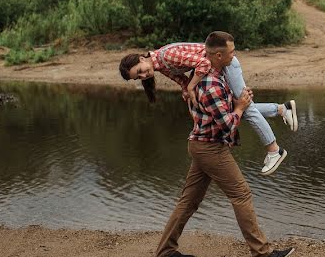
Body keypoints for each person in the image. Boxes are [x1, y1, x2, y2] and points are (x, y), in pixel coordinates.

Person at [154, 31, 294, 257]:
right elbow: (228, 125)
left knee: (189, 201)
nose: (234, 55)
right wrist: (240, 107)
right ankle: (262, 254)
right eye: (231, 52)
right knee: (241, 195)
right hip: (210, 149)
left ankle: (166, 248)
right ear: (218, 55)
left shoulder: (215, 76)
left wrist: (243, 100)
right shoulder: (210, 85)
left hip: (202, 145)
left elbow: (225, 107)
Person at [119, 41, 298, 176]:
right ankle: (283, 109)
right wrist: (187, 92)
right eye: (139, 77)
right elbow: (182, 80)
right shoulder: (159, 64)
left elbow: (203, 64)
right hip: (218, 68)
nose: (143, 75)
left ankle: (274, 150)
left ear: (142, 58)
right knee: (233, 110)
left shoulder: (165, 57)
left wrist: (190, 88)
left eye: (140, 70)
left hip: (226, 64)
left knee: (245, 107)